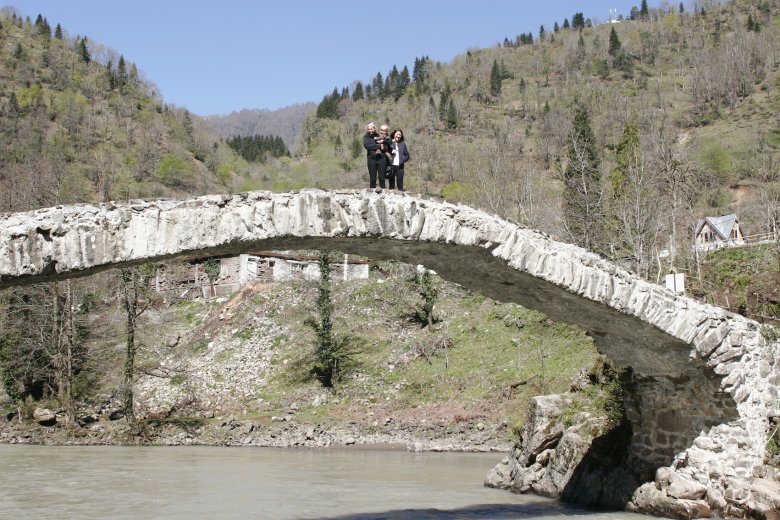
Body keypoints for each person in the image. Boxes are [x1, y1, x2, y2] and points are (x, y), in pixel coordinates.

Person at [363, 122, 391, 191]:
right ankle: (371, 194)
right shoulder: (366, 137)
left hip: (381, 159)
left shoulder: (379, 136)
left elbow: (387, 142)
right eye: (369, 129)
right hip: (371, 159)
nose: (370, 130)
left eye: (371, 129)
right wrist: (378, 146)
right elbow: (367, 146)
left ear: (374, 129)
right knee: (373, 178)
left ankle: (383, 193)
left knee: (382, 178)